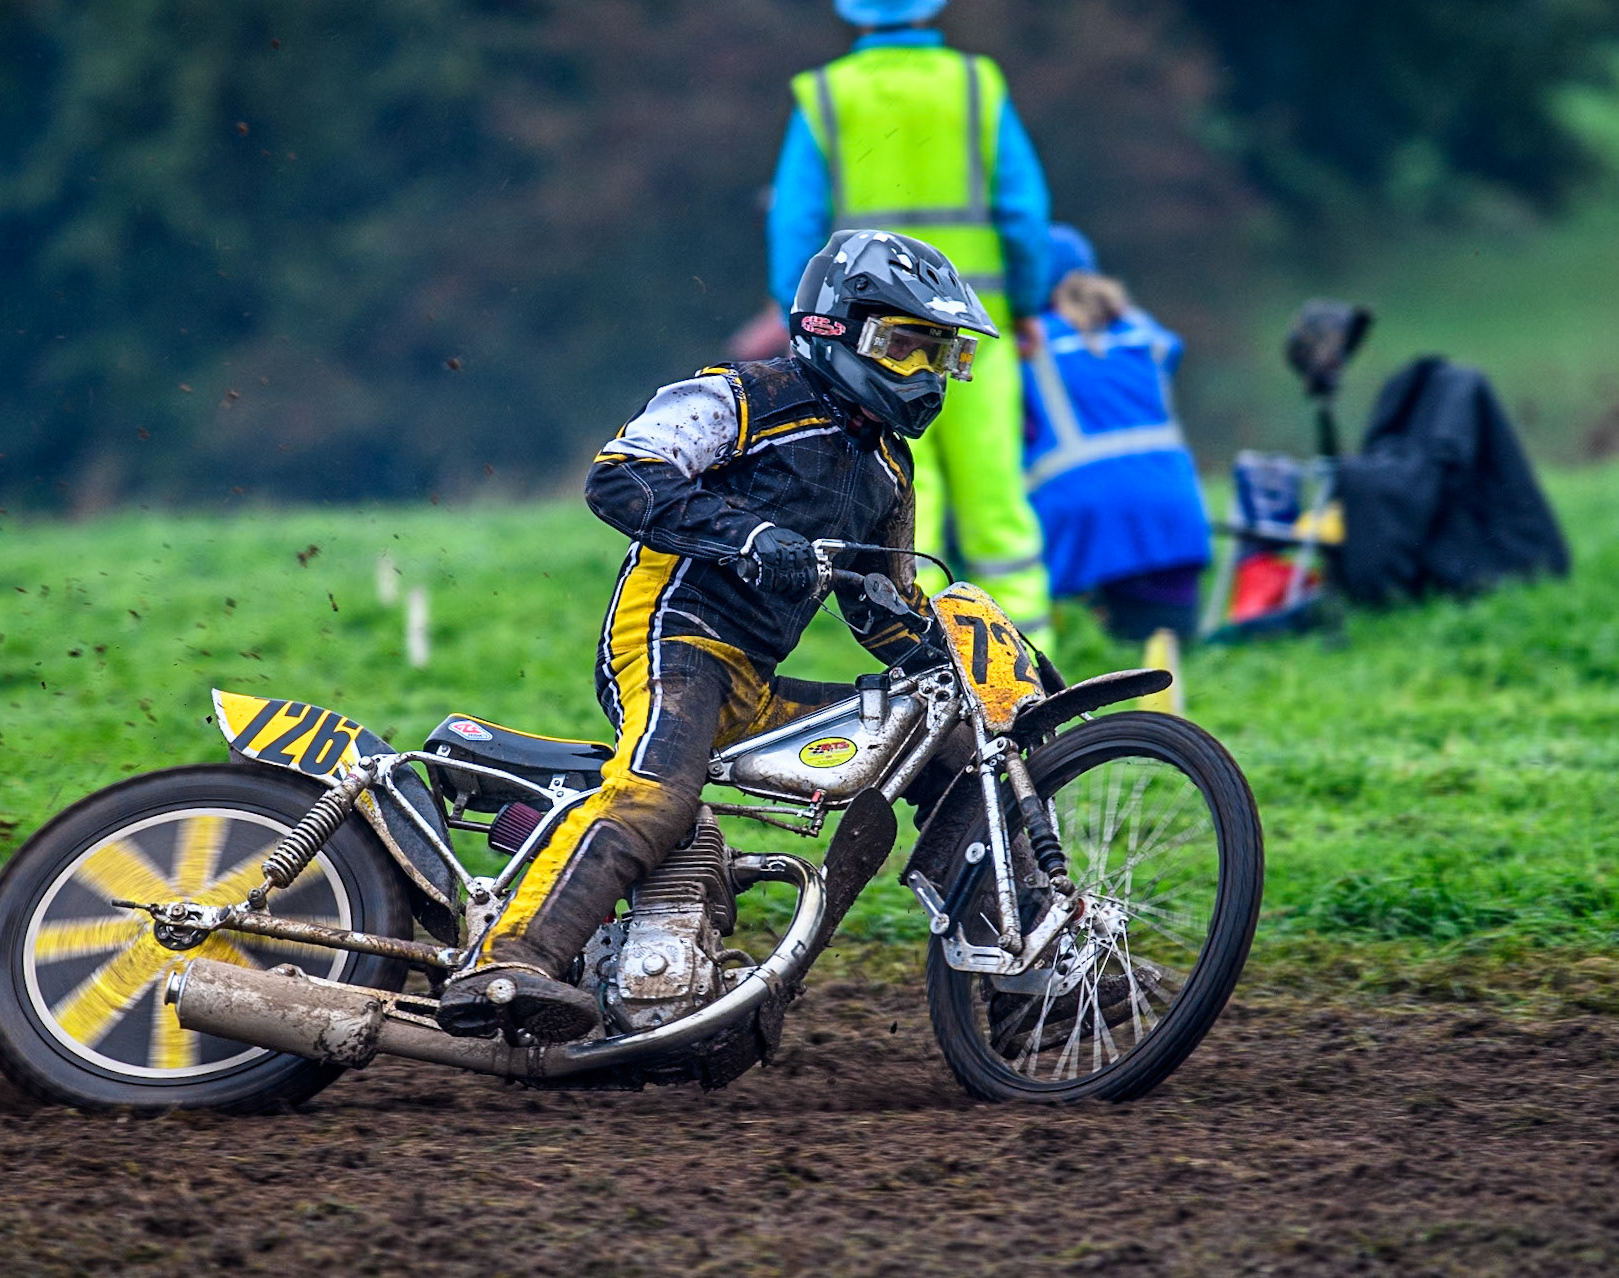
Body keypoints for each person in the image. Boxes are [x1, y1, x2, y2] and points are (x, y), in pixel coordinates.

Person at [436, 231, 996, 1041]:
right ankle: (507, 962)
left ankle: (1016, 976)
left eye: (939, 355)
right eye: (904, 347)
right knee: (659, 798)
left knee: (941, 744)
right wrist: (746, 537)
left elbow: (882, 610)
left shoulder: (887, 471)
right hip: (674, 639)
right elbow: (621, 476)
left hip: (754, 684)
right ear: (834, 327)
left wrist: (976, 669)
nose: (925, 374)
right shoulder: (743, 395)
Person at [767, 0, 1054, 644]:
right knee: (998, 509)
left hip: (869, 345)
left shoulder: (826, 95)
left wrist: (807, 326)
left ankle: (924, 670)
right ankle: (1027, 672)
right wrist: (1029, 306)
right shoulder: (977, 85)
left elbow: (794, 226)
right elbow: (1025, 215)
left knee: (903, 504)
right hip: (976, 336)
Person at [1021, 225, 1211, 640]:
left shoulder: (1029, 346)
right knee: (1173, 655)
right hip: (1172, 506)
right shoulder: (1145, 333)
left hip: (1082, 520)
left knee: (1090, 668)